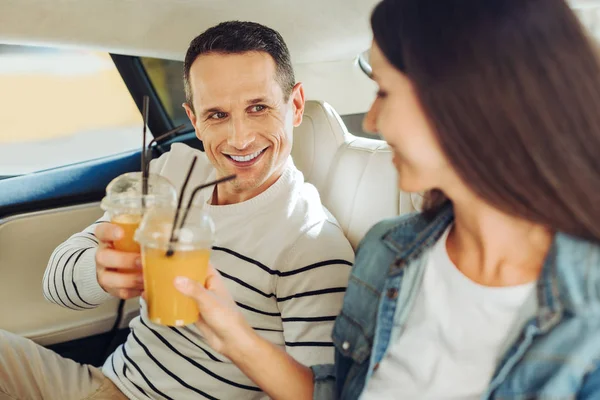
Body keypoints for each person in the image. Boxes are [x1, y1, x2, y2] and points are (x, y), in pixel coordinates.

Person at [171, 0, 600, 399]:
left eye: (384, 92)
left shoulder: (589, 316)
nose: (372, 120)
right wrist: (234, 336)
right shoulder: (390, 251)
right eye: (218, 115)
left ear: (469, 102)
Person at [0, 21, 354, 399]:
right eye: (217, 115)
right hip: (103, 383)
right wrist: (101, 273)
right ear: (194, 120)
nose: (239, 137)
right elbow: (56, 282)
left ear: (295, 105)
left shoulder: (312, 243)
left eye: (258, 107)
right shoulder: (174, 172)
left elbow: (319, 392)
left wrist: (236, 338)